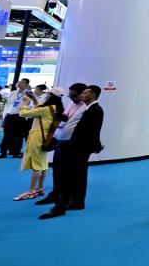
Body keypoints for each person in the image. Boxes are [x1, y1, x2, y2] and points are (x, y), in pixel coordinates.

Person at [40, 85, 104, 219]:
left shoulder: (95, 110)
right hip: (73, 146)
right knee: (73, 176)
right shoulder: (89, 108)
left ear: (93, 94)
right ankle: (74, 202)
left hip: (77, 148)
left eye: (85, 93)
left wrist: (84, 146)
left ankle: (61, 206)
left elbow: (90, 132)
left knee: (70, 177)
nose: (82, 96)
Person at [35, 83, 87, 207]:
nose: (71, 98)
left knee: (68, 173)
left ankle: (68, 198)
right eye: (69, 95)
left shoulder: (86, 108)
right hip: (60, 141)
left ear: (82, 94)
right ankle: (55, 194)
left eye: (73, 95)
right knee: (57, 171)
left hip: (71, 144)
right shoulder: (72, 104)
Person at [13, 88, 63, 201]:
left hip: (37, 136)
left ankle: (31, 191)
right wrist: (34, 99)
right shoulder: (55, 108)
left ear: (51, 96)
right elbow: (39, 108)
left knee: (36, 165)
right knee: (43, 163)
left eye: (48, 94)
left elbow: (23, 113)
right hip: (46, 137)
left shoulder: (46, 108)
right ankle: (39, 188)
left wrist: (25, 104)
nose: (46, 95)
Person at [0, 78, 31, 158]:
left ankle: (16, 152)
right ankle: (3, 152)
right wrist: (4, 117)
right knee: (6, 135)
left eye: (22, 82)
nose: (19, 83)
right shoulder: (13, 93)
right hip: (10, 115)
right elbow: (7, 105)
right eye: (19, 82)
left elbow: (30, 106)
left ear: (27, 85)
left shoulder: (29, 94)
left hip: (21, 117)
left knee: (18, 136)